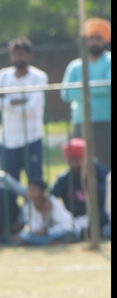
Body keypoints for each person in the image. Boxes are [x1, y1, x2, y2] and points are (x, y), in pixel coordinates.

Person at [0, 37, 48, 182]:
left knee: (35, 183)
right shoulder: (3, 75)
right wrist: (12, 102)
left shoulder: (39, 77)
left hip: (31, 138)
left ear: (29, 55)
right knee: (9, 186)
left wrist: (5, 103)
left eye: (21, 54)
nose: (18, 57)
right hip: (7, 140)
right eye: (14, 54)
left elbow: (31, 109)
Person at [61, 17, 112, 168]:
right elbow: (66, 93)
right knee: (80, 164)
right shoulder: (75, 66)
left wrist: (82, 88)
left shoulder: (109, 61)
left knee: (105, 163)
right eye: (91, 38)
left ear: (104, 40)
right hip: (80, 120)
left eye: (98, 38)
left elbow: (107, 87)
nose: (94, 42)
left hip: (105, 121)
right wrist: (97, 84)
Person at [51, 138, 109, 239]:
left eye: (78, 160)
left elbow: (107, 196)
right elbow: (51, 198)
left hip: (99, 217)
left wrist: (90, 183)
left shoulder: (101, 173)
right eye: (71, 161)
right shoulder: (65, 179)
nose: (75, 164)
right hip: (74, 220)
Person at [18, 179, 76, 245]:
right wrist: (44, 214)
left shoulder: (53, 201)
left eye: (34, 189)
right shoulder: (27, 207)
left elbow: (68, 222)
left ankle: (42, 242)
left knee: (69, 230)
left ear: (42, 191)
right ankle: (52, 242)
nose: (30, 192)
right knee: (23, 235)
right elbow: (34, 229)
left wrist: (49, 231)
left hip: (54, 232)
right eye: (29, 190)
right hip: (42, 235)